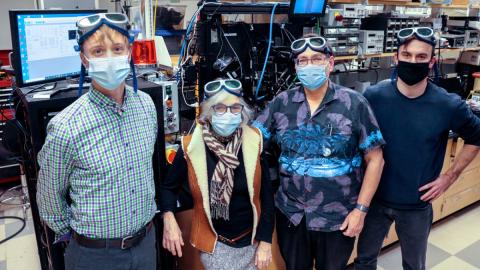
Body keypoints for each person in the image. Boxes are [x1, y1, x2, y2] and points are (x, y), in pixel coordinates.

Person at [253, 33, 385, 270]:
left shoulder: (354, 104)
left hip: (338, 217)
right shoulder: (281, 103)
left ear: (330, 63)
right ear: (295, 66)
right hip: (292, 214)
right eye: (302, 60)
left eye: (316, 58)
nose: (309, 65)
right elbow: (252, 141)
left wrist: (361, 211)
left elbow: (375, 159)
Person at [36, 13, 158, 270]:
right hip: (95, 255)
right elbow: (48, 198)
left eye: (117, 49)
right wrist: (81, 238)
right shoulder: (65, 127)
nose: (110, 58)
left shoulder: (147, 107)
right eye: (98, 51)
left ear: (129, 53)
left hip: (146, 243)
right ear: (84, 59)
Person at [355, 27, 480, 270]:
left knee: (414, 265)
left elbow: (476, 137)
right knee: (364, 261)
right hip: (374, 201)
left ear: (432, 61)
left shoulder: (448, 104)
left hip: (416, 204)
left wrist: (449, 176)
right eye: (407, 55)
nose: (413, 61)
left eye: (421, 57)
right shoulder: (373, 97)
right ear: (396, 57)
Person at [160, 78, 275, 270]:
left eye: (234, 108)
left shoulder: (254, 142)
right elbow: (168, 188)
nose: (228, 114)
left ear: (242, 112)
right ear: (209, 112)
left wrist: (265, 241)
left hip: (252, 244)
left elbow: (266, 197)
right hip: (215, 244)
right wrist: (168, 217)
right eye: (220, 108)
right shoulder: (191, 146)